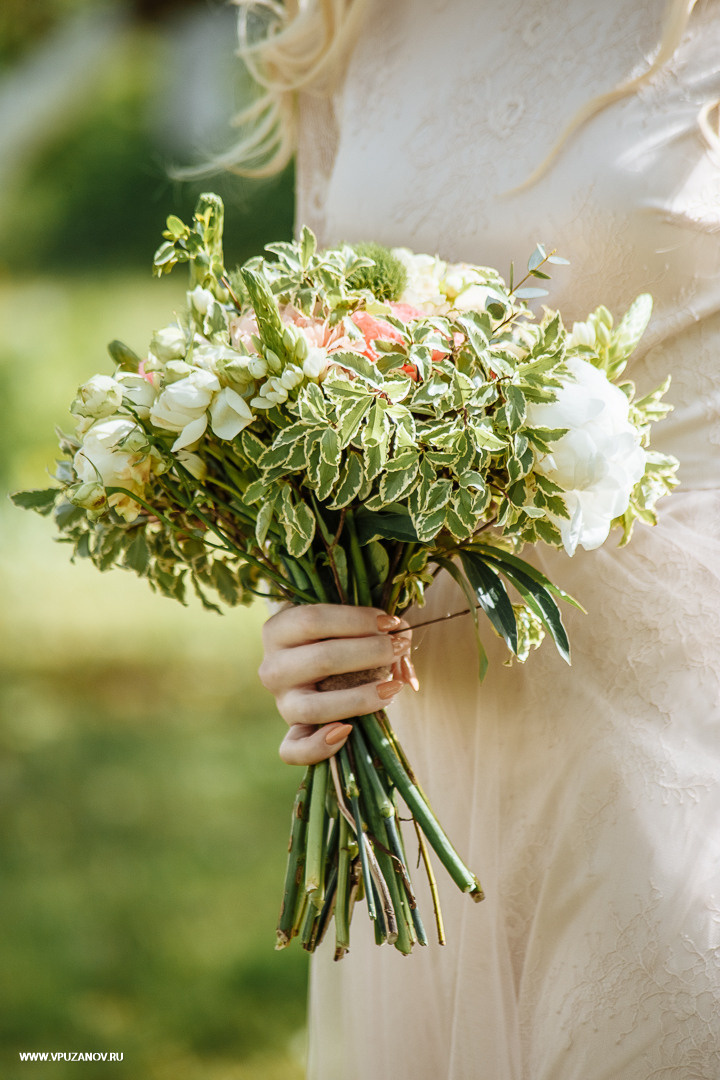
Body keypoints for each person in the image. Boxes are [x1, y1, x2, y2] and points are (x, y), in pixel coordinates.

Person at [232, 0, 720, 1075]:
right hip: (427, 762)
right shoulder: (348, 25)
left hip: (680, 735)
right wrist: (306, 620)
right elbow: (313, 374)